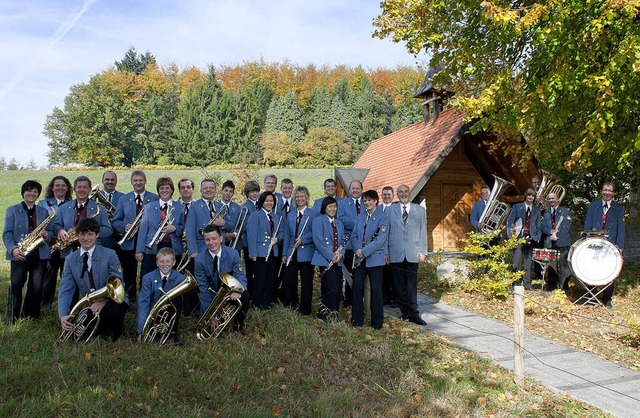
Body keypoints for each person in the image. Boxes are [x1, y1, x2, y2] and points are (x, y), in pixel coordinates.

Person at [58, 218, 128, 341]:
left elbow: (119, 284)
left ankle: (110, 329)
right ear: (77, 236)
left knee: (113, 332)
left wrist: (103, 301)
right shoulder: (70, 260)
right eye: (82, 234)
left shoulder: (110, 254)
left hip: (113, 300)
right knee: (78, 336)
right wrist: (63, 315)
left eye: (90, 234)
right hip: (90, 303)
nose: (86, 238)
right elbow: (66, 289)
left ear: (97, 235)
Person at [4, 180, 53, 323]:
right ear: (23, 193)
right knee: (16, 284)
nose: (32, 194)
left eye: (35, 191)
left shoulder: (43, 211)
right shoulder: (12, 210)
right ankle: (12, 317)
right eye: (29, 191)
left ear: (38, 195)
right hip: (20, 252)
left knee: (36, 286)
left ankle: (31, 315)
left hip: (39, 253)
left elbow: (50, 232)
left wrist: (46, 234)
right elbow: (7, 233)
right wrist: (13, 249)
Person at [112, 169, 159, 301]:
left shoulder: (154, 198)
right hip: (129, 241)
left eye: (141, 180)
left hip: (147, 241)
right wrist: (124, 226)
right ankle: (130, 297)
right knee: (128, 271)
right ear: (131, 182)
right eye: (135, 180)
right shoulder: (124, 199)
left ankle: (147, 296)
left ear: (145, 181)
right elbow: (115, 221)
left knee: (148, 270)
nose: (138, 183)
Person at [195, 225, 249, 332]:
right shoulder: (199, 260)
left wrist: (238, 290)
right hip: (212, 297)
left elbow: (240, 275)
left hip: (229, 294)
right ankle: (216, 316)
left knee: (245, 296)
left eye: (214, 238)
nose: (211, 243)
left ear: (221, 239)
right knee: (212, 329)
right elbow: (203, 289)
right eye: (207, 240)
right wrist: (210, 314)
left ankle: (237, 325)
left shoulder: (233, 254)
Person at [387, 184, 427, 326]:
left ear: (409, 193)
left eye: (405, 191)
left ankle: (414, 313)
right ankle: (404, 312)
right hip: (395, 252)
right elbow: (386, 232)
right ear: (397, 195)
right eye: (400, 192)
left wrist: (423, 252)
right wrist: (386, 252)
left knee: (411, 285)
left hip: (413, 253)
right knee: (398, 286)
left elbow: (423, 232)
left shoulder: (420, 210)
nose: (403, 194)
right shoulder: (390, 210)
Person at [351, 189, 388, 329]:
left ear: (376, 201)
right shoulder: (360, 217)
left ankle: (377, 322)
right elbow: (354, 235)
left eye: (369, 200)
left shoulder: (382, 217)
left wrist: (364, 252)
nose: (367, 203)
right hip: (359, 258)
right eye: (365, 200)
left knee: (376, 290)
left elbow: (380, 239)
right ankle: (356, 320)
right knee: (356, 287)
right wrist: (357, 250)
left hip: (375, 259)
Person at [584, 181, 625, 307]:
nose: (607, 192)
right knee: (592, 269)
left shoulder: (619, 208)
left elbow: (621, 229)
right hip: (594, 243)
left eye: (609, 190)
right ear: (601, 191)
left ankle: (607, 298)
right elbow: (587, 225)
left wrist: (620, 247)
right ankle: (592, 296)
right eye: (605, 190)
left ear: (613, 193)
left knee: (610, 271)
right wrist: (587, 240)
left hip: (611, 245)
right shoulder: (593, 205)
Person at [52, 175, 113, 259]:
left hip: (93, 253)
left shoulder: (100, 209)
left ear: (90, 190)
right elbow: (56, 225)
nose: (82, 190)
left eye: (85, 187)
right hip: (68, 253)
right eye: (79, 187)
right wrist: (60, 230)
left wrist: (91, 232)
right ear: (74, 189)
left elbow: (108, 230)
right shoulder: (63, 208)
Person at [136, 177, 185, 280]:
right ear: (158, 190)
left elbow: (184, 228)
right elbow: (143, 230)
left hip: (173, 247)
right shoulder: (149, 207)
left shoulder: (180, 207)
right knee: (147, 277)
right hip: (152, 248)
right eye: (161, 188)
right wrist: (139, 250)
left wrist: (175, 228)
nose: (164, 190)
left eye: (167, 188)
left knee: (173, 278)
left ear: (172, 190)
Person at [281, 185, 317, 315]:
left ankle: (305, 309)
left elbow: (315, 233)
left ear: (306, 198)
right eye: (297, 197)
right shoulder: (291, 215)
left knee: (306, 282)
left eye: (302, 196)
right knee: (290, 280)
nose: (299, 199)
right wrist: (285, 253)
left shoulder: (313, 214)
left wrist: (304, 239)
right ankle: (290, 304)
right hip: (292, 252)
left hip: (306, 253)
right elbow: (287, 236)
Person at [37, 175, 72, 309]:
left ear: (67, 188)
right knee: (49, 276)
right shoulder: (43, 204)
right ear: (52, 187)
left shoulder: (72, 203)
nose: (60, 188)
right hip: (48, 245)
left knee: (66, 276)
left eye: (63, 185)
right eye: (57, 185)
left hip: (65, 245)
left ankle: (65, 305)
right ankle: (46, 304)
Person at [137, 247, 185, 344]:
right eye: (161, 261)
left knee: (178, 300)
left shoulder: (180, 278)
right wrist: (141, 331)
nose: (165, 264)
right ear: (157, 263)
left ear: (174, 262)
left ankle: (172, 332)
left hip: (169, 311)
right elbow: (143, 303)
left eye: (168, 261)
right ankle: (151, 330)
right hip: (152, 313)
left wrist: (165, 304)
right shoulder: (148, 278)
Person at [247, 191, 284, 309]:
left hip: (273, 252)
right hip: (260, 253)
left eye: (271, 201)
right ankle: (257, 303)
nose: (269, 203)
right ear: (261, 202)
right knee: (260, 279)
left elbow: (282, 232)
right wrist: (253, 253)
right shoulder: (255, 215)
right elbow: (251, 236)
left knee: (271, 278)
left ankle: (267, 303)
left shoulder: (276, 217)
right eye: (266, 201)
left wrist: (277, 238)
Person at [312, 197, 346, 321]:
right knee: (331, 288)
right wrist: (332, 256)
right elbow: (318, 241)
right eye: (330, 206)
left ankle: (334, 315)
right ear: (324, 208)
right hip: (325, 260)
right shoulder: (318, 221)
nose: (333, 209)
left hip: (338, 260)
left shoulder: (339, 223)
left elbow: (343, 242)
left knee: (337, 287)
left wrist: (341, 254)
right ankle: (323, 315)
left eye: (334, 206)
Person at [506, 188, 541, 290]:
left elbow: (538, 225)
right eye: (529, 195)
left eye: (533, 196)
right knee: (517, 261)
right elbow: (510, 222)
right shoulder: (517, 207)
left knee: (528, 262)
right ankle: (515, 283)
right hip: (518, 237)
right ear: (525, 196)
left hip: (530, 237)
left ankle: (527, 284)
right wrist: (511, 236)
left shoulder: (536, 209)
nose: (530, 197)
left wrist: (537, 236)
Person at [185, 179, 225, 259]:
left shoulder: (220, 205)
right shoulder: (195, 206)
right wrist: (193, 251)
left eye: (211, 188)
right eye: (205, 188)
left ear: (215, 190)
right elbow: (189, 230)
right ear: (201, 190)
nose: (208, 190)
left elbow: (231, 225)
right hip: (202, 249)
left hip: (220, 249)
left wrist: (224, 223)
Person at [337, 179, 363, 305]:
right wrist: (359, 223)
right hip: (348, 244)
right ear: (349, 189)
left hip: (363, 244)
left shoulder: (366, 202)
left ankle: (359, 297)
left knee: (360, 272)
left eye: (358, 188)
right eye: (353, 188)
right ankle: (348, 298)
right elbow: (341, 219)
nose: (355, 190)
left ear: (361, 190)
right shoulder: (342, 204)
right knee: (348, 272)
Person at [541, 192, 572, 291]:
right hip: (550, 241)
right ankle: (552, 286)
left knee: (564, 265)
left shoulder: (565, 211)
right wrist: (550, 232)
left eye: (553, 198)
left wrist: (556, 235)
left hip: (563, 241)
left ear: (558, 199)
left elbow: (566, 226)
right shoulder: (546, 213)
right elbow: (543, 227)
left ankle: (564, 286)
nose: (551, 200)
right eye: (549, 199)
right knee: (551, 265)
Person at [240, 180, 261, 294]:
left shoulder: (261, 204)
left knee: (259, 269)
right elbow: (244, 226)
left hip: (260, 242)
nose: (254, 194)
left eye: (256, 191)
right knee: (250, 270)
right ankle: (251, 292)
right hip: (248, 243)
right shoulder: (244, 207)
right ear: (247, 193)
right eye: (252, 192)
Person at [379, 185, 396, 306]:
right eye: (384, 194)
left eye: (389, 194)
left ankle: (395, 298)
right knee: (382, 275)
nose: (387, 196)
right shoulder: (377, 208)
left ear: (393, 196)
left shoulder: (397, 209)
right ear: (381, 196)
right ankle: (384, 298)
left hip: (393, 247)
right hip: (379, 247)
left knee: (394, 276)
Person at [217, 180, 241, 248]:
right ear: (222, 191)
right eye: (226, 190)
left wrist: (234, 234)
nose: (228, 193)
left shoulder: (238, 208)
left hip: (234, 244)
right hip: (219, 243)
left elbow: (240, 225)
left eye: (230, 191)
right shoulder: (215, 206)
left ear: (233, 193)